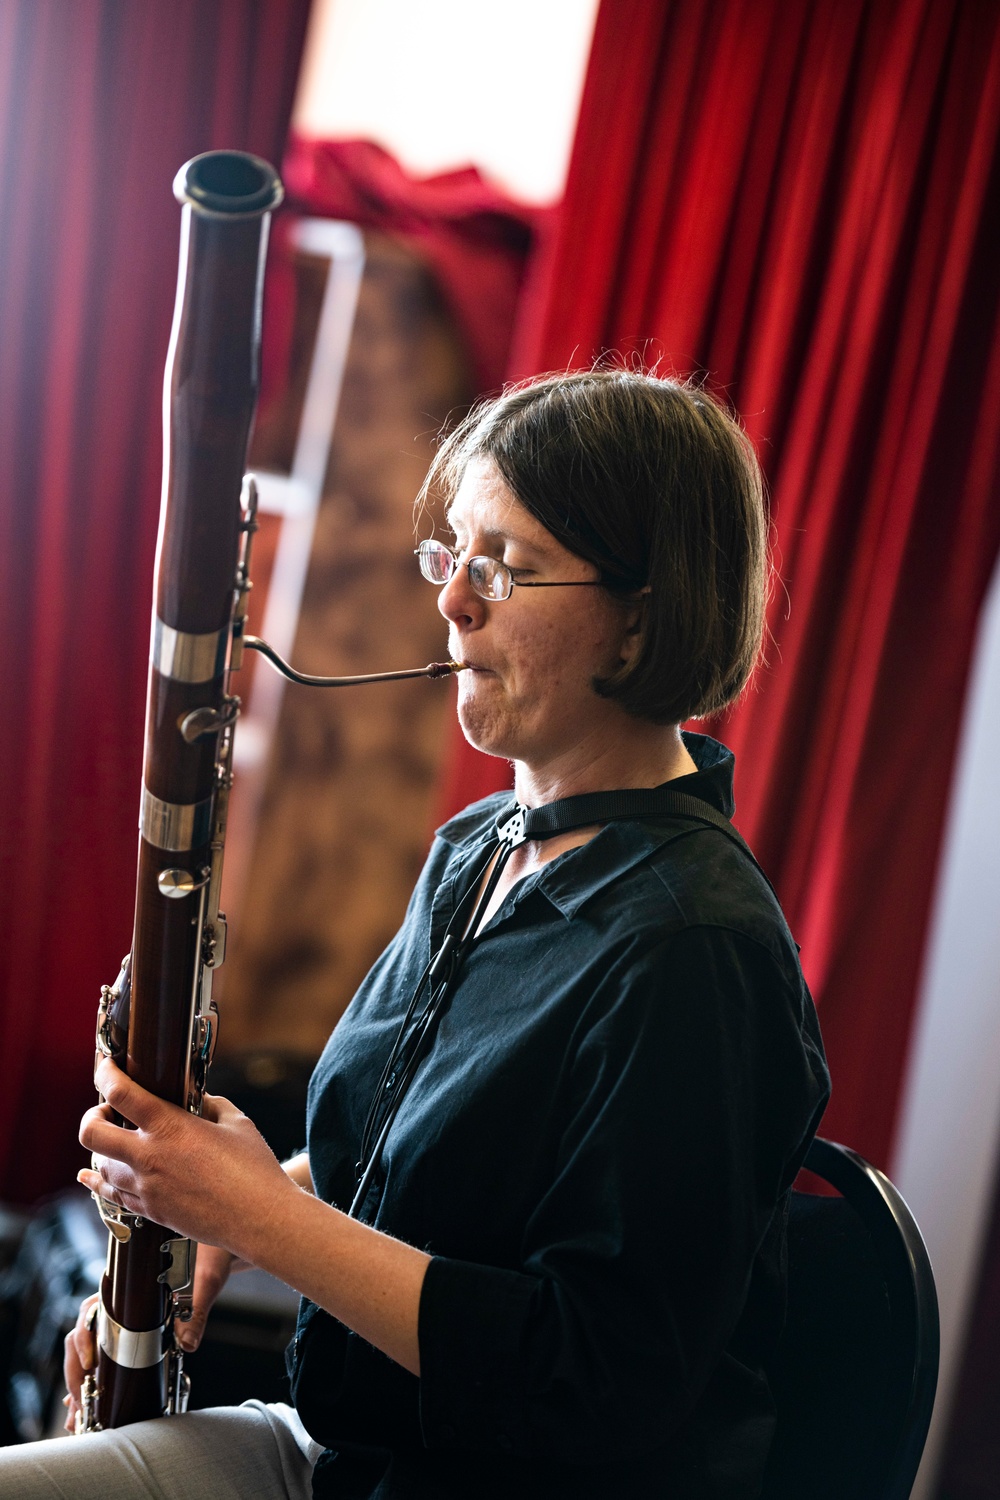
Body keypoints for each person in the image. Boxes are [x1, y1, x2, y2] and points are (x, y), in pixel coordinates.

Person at [0, 369, 829, 1499]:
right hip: (352, 1458)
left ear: (642, 614)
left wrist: (260, 1213)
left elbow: (596, 1379)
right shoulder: (483, 845)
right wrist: (209, 1220)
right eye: (453, 555)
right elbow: (392, 1165)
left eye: (506, 566)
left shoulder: (692, 951)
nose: (452, 604)